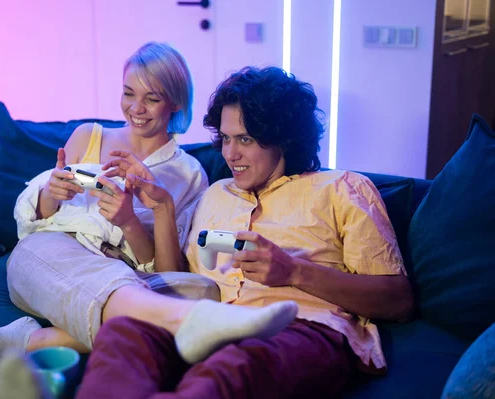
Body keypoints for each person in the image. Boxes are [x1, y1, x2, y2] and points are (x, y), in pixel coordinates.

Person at [68, 66, 416, 399]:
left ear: (284, 139)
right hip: (205, 322)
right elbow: (177, 281)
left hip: (299, 328)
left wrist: (294, 271)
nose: (230, 154)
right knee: (124, 332)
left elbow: (397, 300)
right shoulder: (216, 194)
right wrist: (163, 209)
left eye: (245, 139)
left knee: (232, 370)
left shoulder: (343, 189)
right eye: (225, 138)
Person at [0, 44, 298, 361]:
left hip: (127, 276)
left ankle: (30, 340)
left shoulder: (188, 173)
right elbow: (32, 223)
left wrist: (131, 221)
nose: (136, 108)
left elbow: (167, 270)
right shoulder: (88, 136)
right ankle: (182, 322)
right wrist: (50, 194)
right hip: (49, 256)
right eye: (128, 93)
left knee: (204, 289)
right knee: (42, 253)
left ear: (175, 103)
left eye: (151, 98)